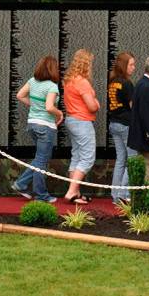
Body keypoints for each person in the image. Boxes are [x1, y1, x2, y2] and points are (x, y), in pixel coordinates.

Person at [10, 55, 63, 203]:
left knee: (40, 158)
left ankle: (20, 184)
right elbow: (49, 107)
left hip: (32, 124)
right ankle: (41, 195)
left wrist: (33, 105)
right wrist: (60, 114)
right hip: (45, 126)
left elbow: (20, 95)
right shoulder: (52, 86)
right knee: (41, 161)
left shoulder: (32, 81)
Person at [63, 49, 99, 205]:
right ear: (86, 64)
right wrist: (97, 102)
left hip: (71, 119)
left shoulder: (69, 80)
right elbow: (92, 106)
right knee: (87, 157)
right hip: (82, 122)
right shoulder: (82, 82)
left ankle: (75, 192)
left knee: (77, 156)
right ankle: (71, 191)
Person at [107, 52, 137, 204]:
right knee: (132, 159)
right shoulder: (127, 83)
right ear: (123, 65)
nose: (133, 67)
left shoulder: (112, 82)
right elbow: (133, 107)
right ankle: (124, 193)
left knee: (120, 160)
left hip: (114, 124)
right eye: (131, 64)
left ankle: (115, 194)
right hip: (126, 125)